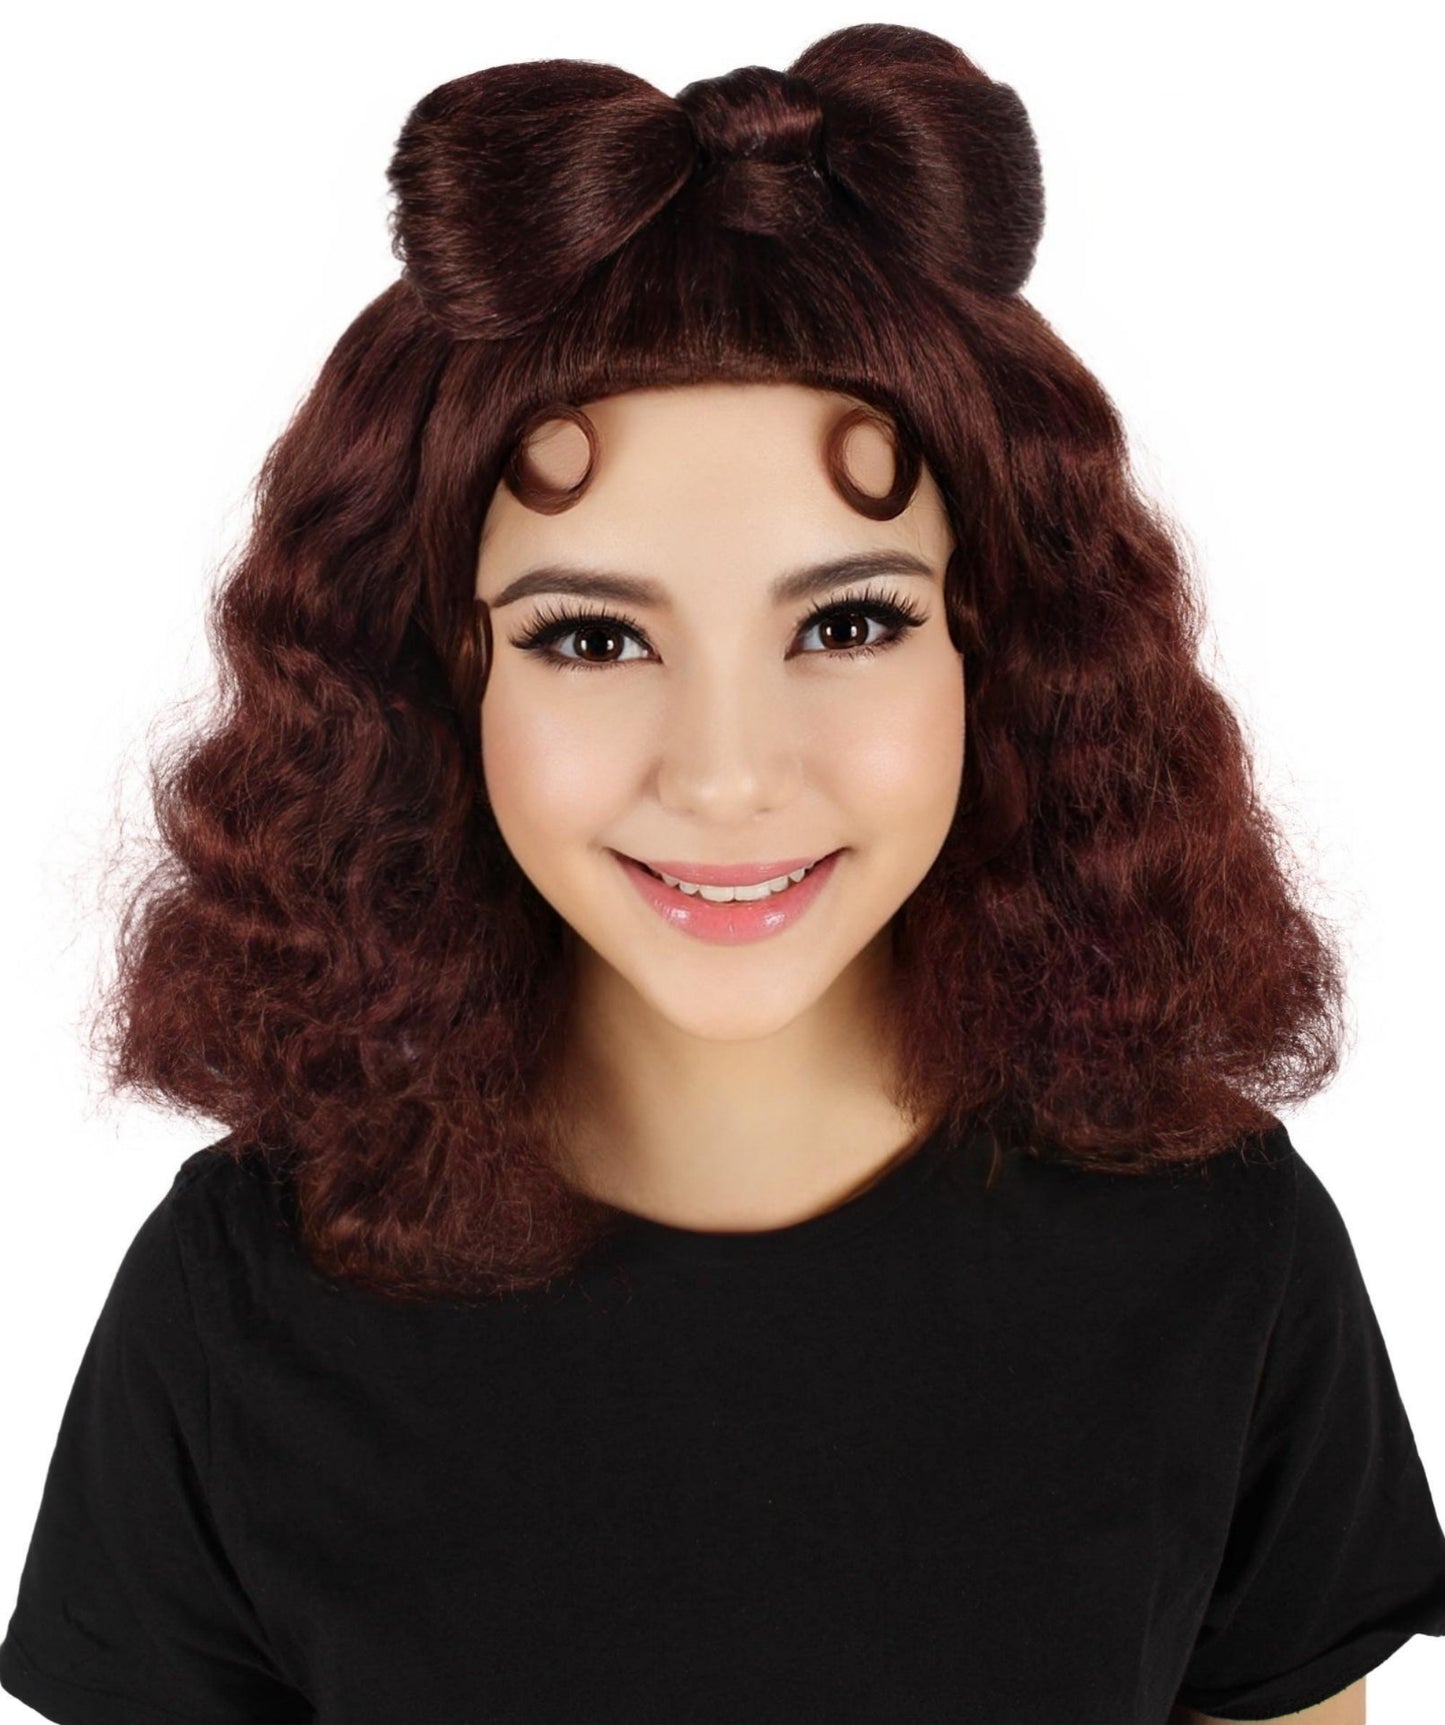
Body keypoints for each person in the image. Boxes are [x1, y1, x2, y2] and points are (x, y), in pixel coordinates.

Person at [2, 22, 1441, 1725]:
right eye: (592, 636)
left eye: (848, 622)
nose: (727, 771)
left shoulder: (1219, 1250)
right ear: (440, 676)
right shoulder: (235, 1303)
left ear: (998, 643)